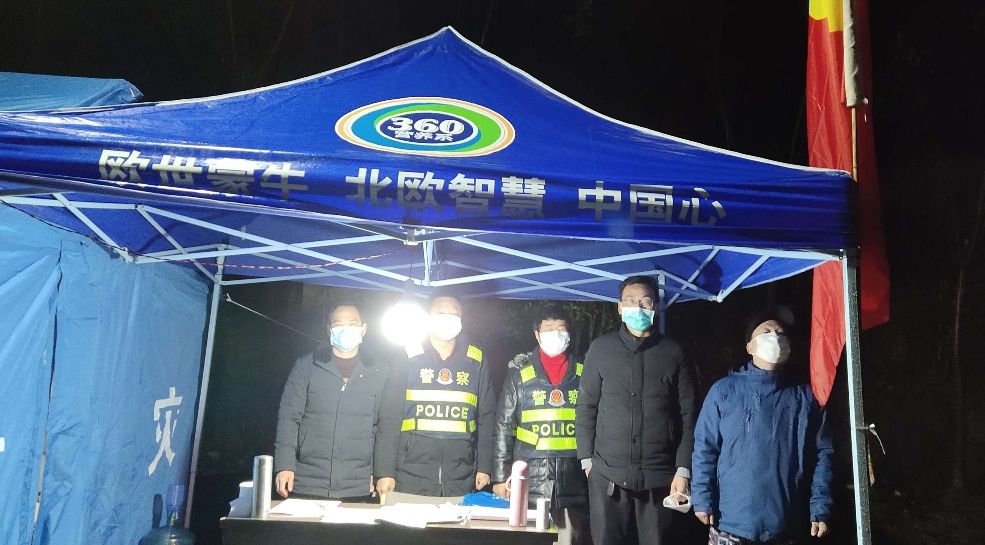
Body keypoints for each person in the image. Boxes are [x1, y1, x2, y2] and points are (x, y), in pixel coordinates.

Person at [691, 308, 833, 545]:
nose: (775, 337)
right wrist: (702, 497)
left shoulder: (806, 397)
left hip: (784, 525)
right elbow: (705, 448)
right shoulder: (724, 391)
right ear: (749, 346)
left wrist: (820, 507)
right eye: (766, 331)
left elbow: (823, 453)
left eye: (780, 333)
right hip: (730, 523)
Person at [576, 275, 697, 545]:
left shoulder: (674, 352)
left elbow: (689, 415)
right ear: (620, 307)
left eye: (645, 301)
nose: (638, 307)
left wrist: (683, 469)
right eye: (630, 301)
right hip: (607, 474)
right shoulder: (601, 348)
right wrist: (587, 461)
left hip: (660, 477)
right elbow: (586, 406)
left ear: (655, 307)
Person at [375, 294, 496, 497]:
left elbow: (487, 416)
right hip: (411, 474)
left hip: (462, 475)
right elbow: (390, 415)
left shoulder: (475, 360)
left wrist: (485, 467)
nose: (447, 317)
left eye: (454, 313)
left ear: (462, 319)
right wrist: (384, 471)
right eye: (441, 312)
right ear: (429, 317)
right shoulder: (409, 355)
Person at [273, 302, 394, 501]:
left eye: (352, 324)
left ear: (363, 329)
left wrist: (383, 471)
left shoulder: (380, 371)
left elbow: (385, 425)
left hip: (358, 484)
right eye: (338, 324)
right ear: (329, 329)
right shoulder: (306, 366)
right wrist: (284, 465)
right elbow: (289, 417)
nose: (346, 329)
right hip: (308, 480)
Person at [492, 304, 592, 544]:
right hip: (529, 482)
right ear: (537, 334)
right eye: (548, 328)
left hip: (575, 483)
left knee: (571, 539)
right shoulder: (519, 374)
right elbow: (504, 427)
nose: (555, 333)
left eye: (561, 328)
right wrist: (500, 477)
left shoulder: (585, 372)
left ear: (570, 333)